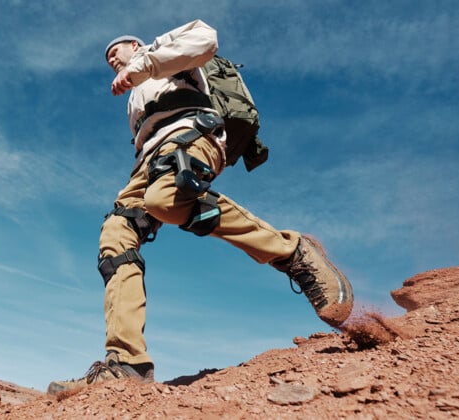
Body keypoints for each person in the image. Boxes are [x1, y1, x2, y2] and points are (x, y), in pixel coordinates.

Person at [47, 19, 353, 395]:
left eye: (117, 50)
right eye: (109, 57)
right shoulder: (134, 97)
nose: (112, 58)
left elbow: (205, 38)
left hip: (191, 135)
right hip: (147, 161)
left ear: (135, 43)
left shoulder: (159, 52)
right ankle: (126, 362)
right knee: (115, 236)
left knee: (167, 200)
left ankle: (293, 251)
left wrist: (141, 65)